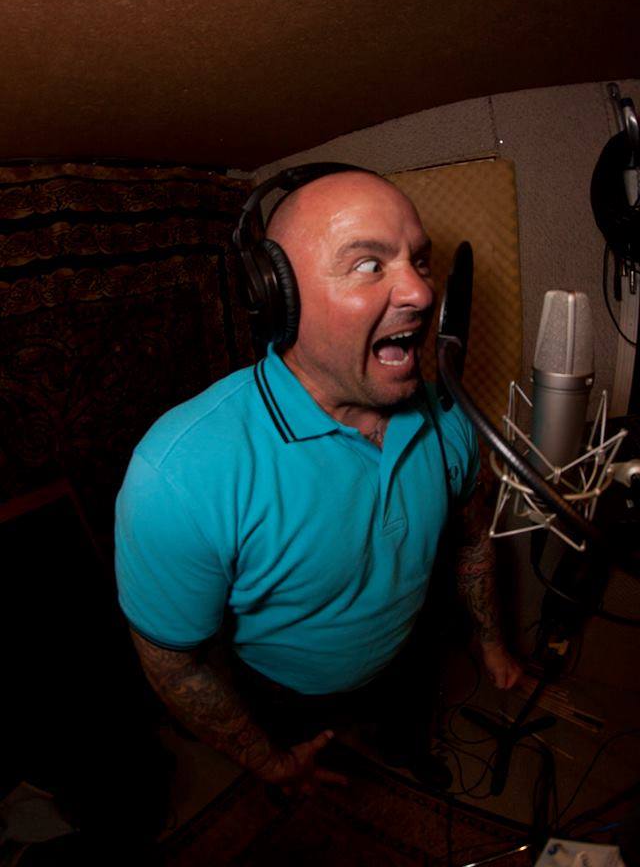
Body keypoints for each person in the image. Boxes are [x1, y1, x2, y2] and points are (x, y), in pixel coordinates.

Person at [115, 168, 521, 800]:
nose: (420, 291)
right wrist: (270, 762)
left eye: (419, 260)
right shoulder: (178, 476)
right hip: (284, 693)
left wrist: (491, 642)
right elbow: (176, 665)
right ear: (279, 299)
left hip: (407, 654)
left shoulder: (450, 419)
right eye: (368, 264)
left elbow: (472, 538)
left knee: (403, 736)